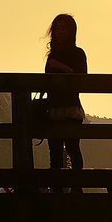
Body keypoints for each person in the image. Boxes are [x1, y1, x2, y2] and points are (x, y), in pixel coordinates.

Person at [44, 13, 87, 193]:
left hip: (70, 109)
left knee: (72, 149)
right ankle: (57, 190)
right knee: (55, 153)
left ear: (71, 32)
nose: (60, 32)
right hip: (54, 108)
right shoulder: (52, 55)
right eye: (58, 29)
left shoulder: (77, 53)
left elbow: (82, 78)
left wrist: (61, 67)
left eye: (64, 28)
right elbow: (46, 81)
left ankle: (76, 189)